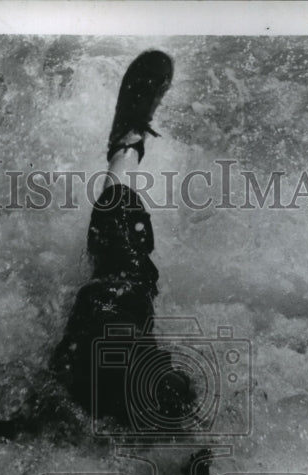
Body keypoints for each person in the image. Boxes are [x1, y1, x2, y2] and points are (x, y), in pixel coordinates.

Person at [50, 50, 195, 432]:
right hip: (128, 286)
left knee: (114, 204)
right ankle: (129, 143)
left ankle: (125, 146)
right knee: (115, 208)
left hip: (111, 293)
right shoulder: (157, 395)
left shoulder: (72, 387)